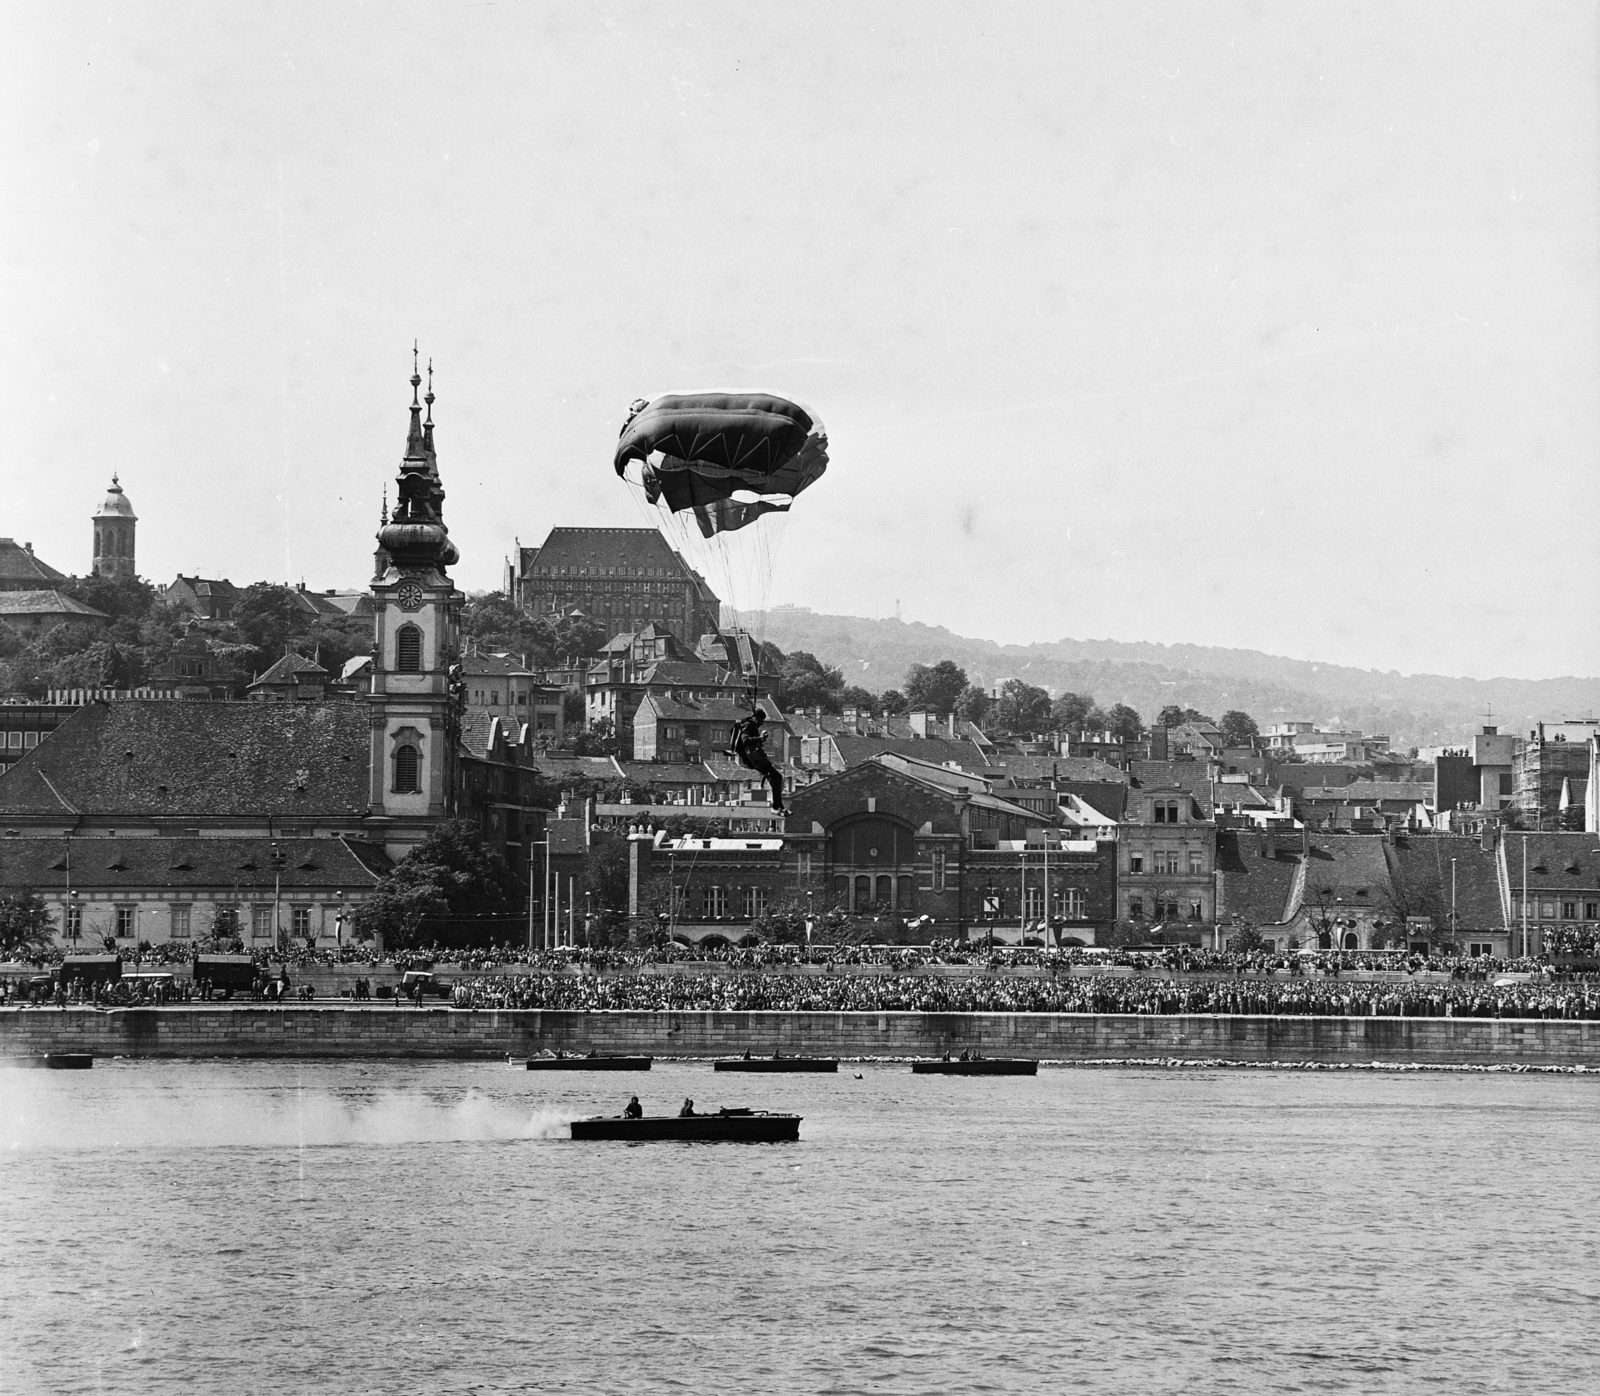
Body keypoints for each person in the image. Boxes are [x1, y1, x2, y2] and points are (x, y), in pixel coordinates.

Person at [726, 707, 786, 814]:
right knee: (777, 777)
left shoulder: (749, 725)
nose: (761, 723)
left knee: (775, 778)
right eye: (760, 721)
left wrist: (760, 738)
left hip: (754, 759)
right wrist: (759, 737)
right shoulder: (748, 726)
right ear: (754, 718)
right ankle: (776, 807)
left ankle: (778, 806)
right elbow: (745, 740)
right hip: (754, 760)